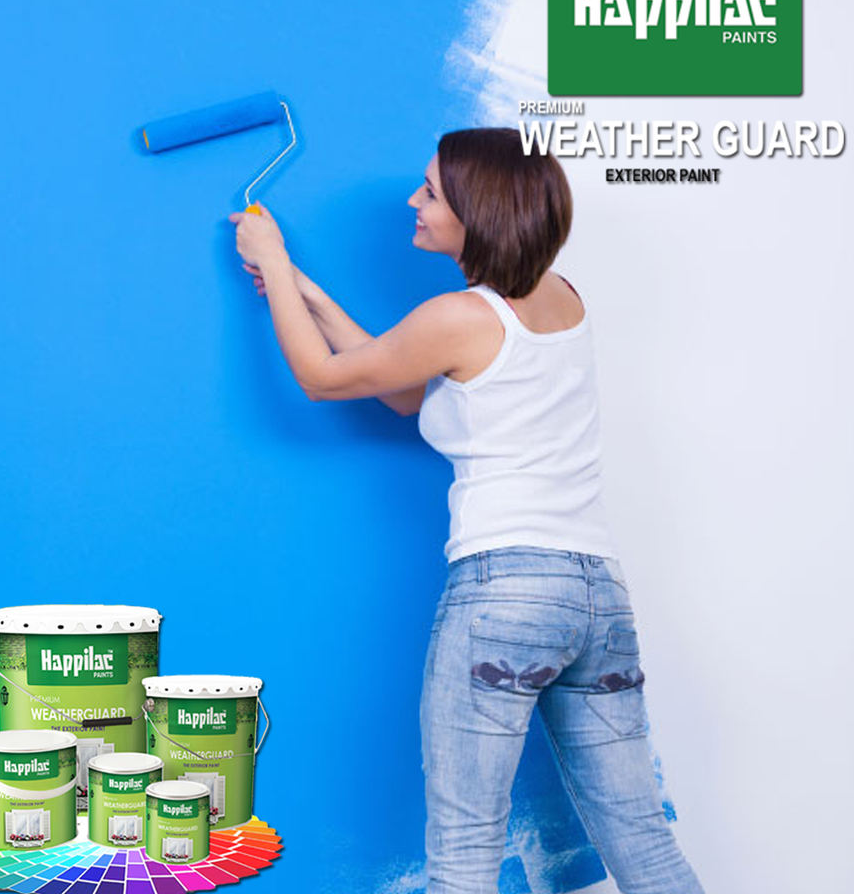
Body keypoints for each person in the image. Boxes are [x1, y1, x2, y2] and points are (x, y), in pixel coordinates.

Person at [230, 128, 703, 894]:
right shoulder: (561, 298)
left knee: (465, 852)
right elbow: (405, 388)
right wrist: (305, 293)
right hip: (597, 596)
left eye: (431, 192)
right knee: (645, 846)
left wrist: (274, 262)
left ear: (477, 211)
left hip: (505, 590)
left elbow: (320, 379)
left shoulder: (459, 316)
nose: (413, 202)